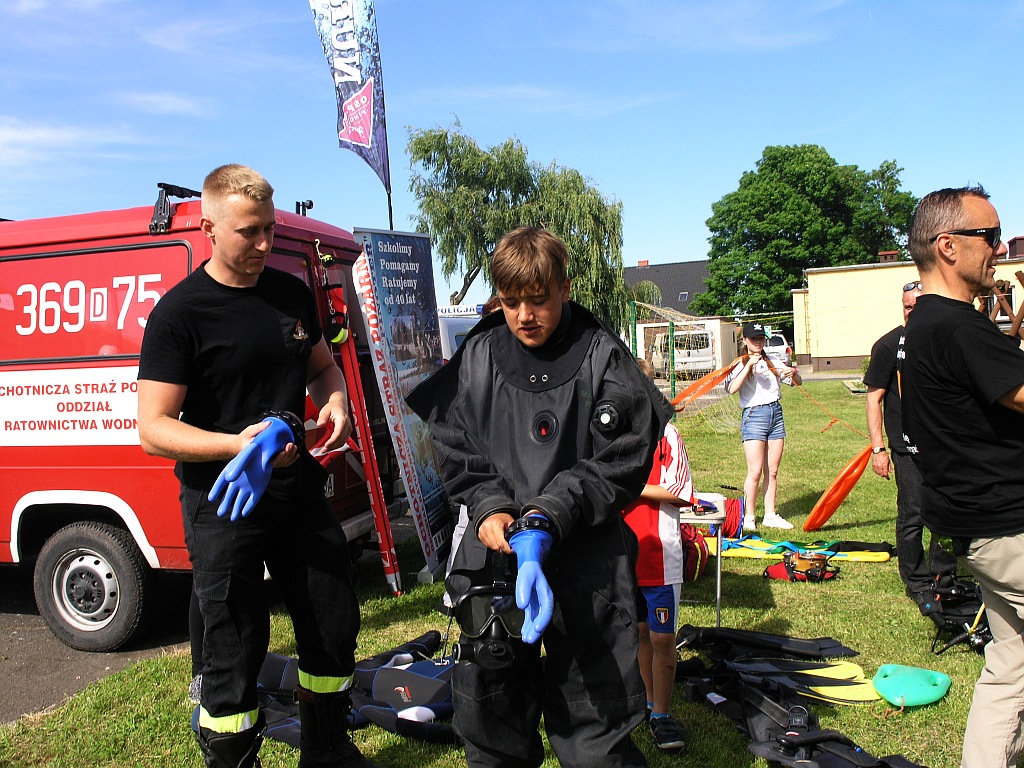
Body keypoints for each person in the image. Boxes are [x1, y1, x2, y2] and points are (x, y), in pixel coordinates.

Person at [137, 164, 382, 768]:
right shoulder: (179, 313)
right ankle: (232, 757)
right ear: (209, 225)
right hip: (223, 501)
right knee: (234, 643)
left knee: (332, 619)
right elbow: (154, 428)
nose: (266, 245)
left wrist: (334, 398)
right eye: (250, 232)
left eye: (270, 229)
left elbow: (322, 365)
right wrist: (236, 445)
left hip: (295, 490)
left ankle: (327, 751)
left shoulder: (290, 294)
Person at [406, 226, 673, 768]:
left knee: (595, 728)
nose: (525, 315)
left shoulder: (602, 356)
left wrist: (549, 516)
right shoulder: (478, 356)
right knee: (492, 720)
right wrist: (489, 508)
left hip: (586, 559)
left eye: (538, 299)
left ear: (565, 288)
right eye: (510, 302)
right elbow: (454, 447)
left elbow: (621, 461)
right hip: (494, 556)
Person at [899, 185, 1024, 768]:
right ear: (948, 246)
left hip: (974, 529)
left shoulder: (923, 326)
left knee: (1011, 662)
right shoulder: (956, 327)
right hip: (1008, 527)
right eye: (991, 236)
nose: (999, 247)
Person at [864, 282, 957, 614]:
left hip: (943, 445)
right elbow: (874, 400)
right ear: (901, 308)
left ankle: (944, 578)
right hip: (906, 447)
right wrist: (878, 449)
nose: (912, 312)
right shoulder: (888, 346)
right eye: (907, 307)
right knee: (913, 513)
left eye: (919, 306)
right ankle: (917, 580)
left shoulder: (943, 342)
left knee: (946, 513)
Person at [622, 358, 693, 752]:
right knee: (638, 634)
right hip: (623, 557)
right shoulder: (615, 436)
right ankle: (649, 706)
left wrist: (630, 489)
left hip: (660, 557)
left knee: (663, 639)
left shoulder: (669, 436)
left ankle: (663, 717)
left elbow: (680, 490)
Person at [724, 321, 802, 531]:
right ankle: (749, 516)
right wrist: (749, 364)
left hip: (775, 413)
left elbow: (798, 382)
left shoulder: (773, 360)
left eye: (761, 338)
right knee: (755, 471)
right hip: (754, 415)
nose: (758, 342)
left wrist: (792, 373)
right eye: (754, 338)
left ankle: (770, 514)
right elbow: (731, 389)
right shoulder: (739, 363)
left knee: (772, 471)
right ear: (745, 340)